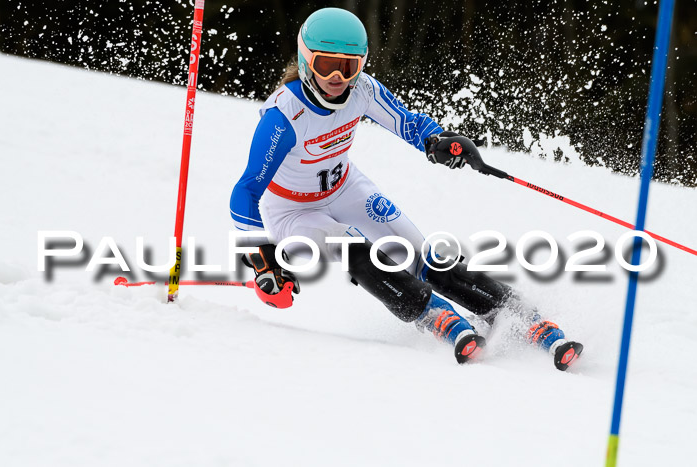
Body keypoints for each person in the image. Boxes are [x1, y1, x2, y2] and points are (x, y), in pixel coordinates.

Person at [230, 7, 583, 370]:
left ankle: (519, 313)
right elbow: (245, 191)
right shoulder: (285, 116)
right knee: (355, 248)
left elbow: (409, 124)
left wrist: (439, 142)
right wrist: (261, 257)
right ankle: (435, 316)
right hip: (293, 211)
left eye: (348, 66)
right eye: (326, 65)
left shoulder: (363, 91)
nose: (337, 77)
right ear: (306, 62)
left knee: (424, 254)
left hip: (344, 187)